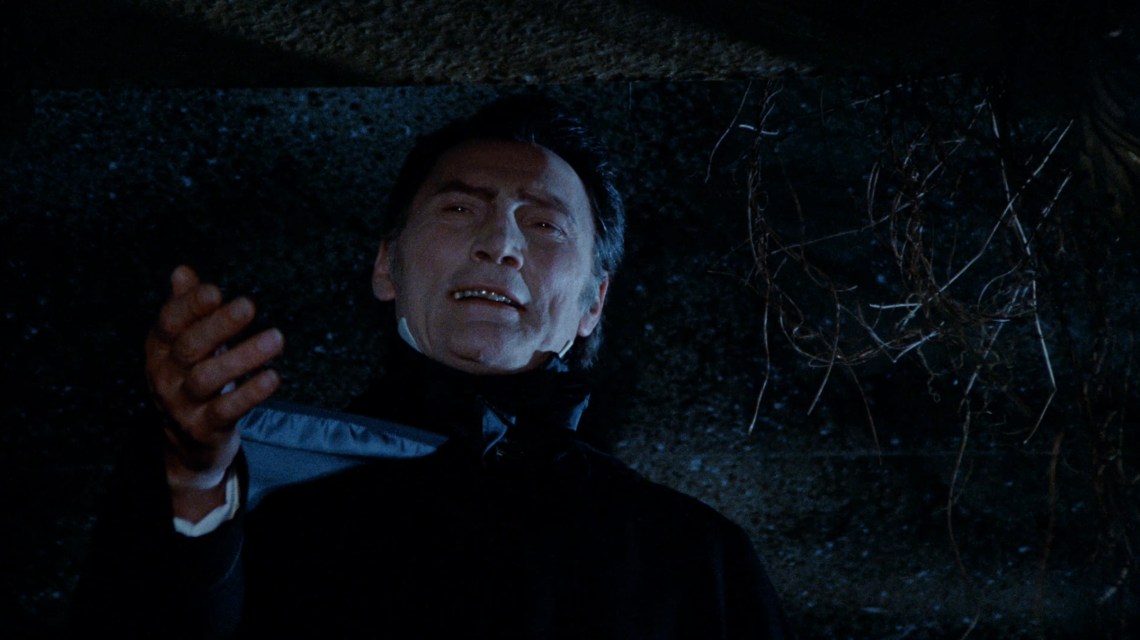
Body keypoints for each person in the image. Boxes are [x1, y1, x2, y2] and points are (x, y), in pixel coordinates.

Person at [74, 94, 793, 638]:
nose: (499, 243)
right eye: (458, 209)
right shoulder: (247, 487)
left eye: (544, 223)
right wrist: (195, 487)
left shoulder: (698, 559)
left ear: (592, 304)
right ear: (387, 265)